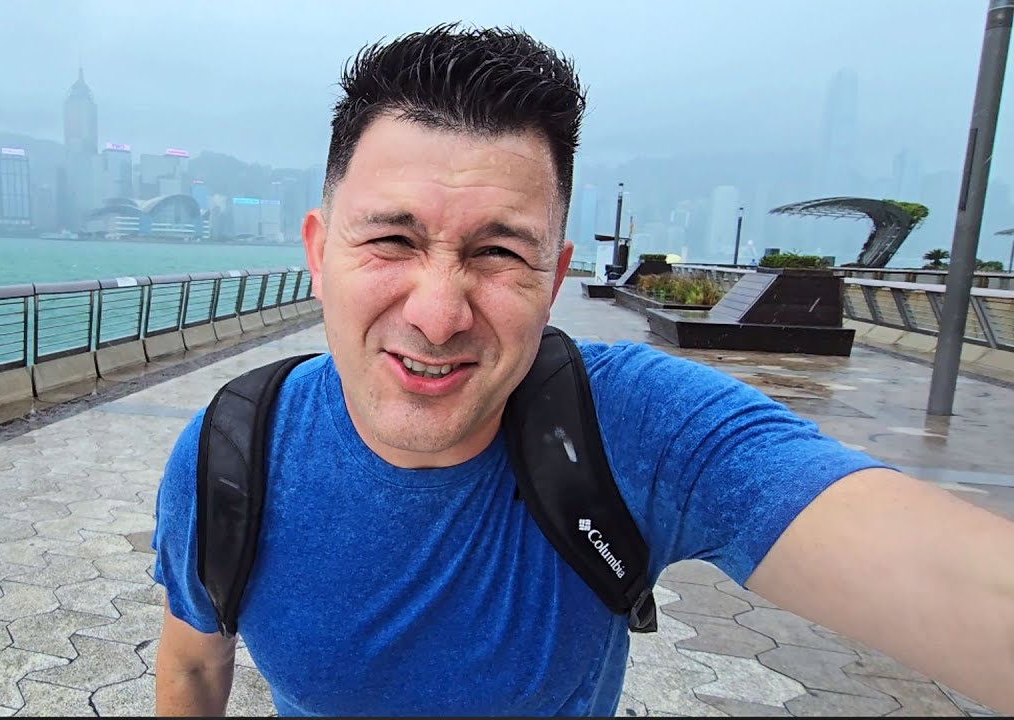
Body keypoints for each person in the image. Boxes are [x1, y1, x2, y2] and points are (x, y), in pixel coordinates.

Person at [151, 24, 1014, 717]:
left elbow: (962, 586)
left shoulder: (634, 427)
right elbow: (192, 666)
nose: (439, 315)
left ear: (554, 277)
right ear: (317, 253)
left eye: (499, 253)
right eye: (391, 240)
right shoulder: (234, 453)